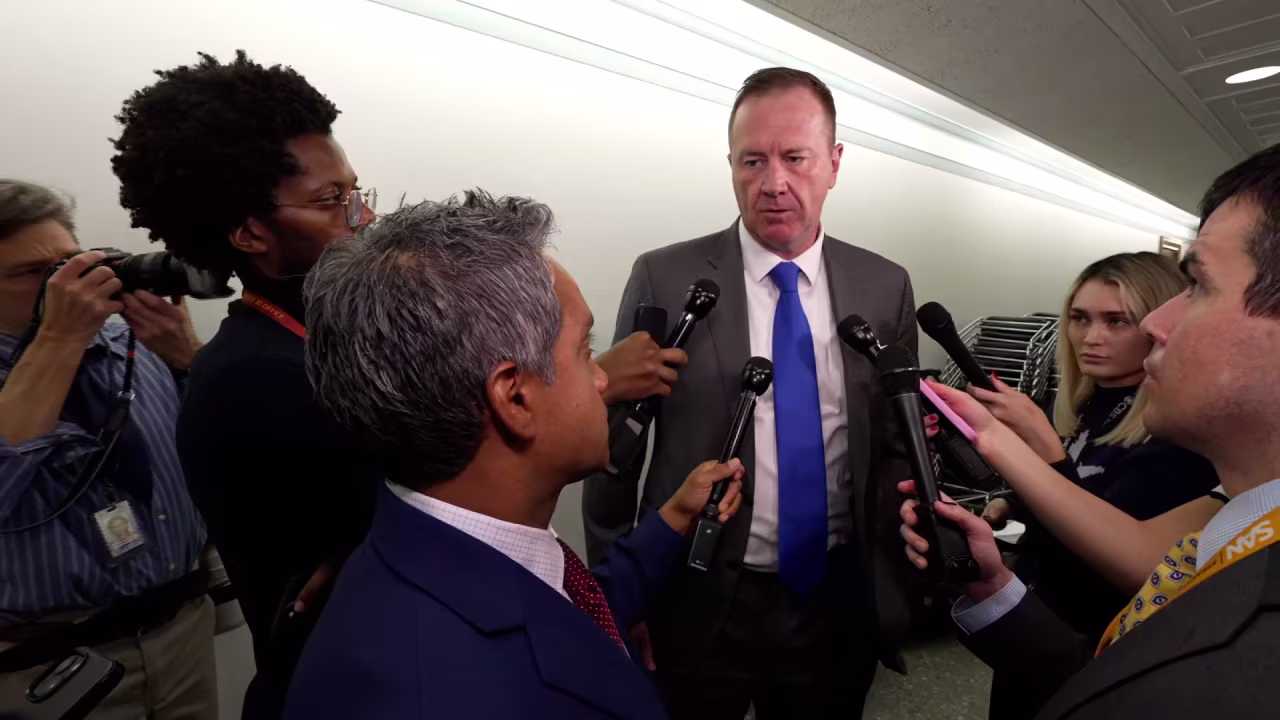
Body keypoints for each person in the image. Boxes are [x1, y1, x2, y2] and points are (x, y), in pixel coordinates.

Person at [283, 191, 745, 719]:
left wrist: (674, 519)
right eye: (584, 352)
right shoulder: (431, 694)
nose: (600, 377)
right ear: (515, 397)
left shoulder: (450, 548)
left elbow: (561, 617)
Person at [901, 143, 1280, 719]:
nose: (1156, 326)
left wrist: (1012, 447)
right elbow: (1102, 676)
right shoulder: (1233, 510)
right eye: (1079, 317)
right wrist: (989, 584)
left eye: (1198, 286)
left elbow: (1125, 564)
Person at [583, 67, 916, 719]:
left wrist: (895, 581)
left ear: (835, 163)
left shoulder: (885, 287)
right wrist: (623, 592)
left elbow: (898, 446)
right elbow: (616, 445)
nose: (774, 183)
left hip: (834, 600)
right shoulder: (666, 276)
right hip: (694, 591)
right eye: (752, 160)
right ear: (731, 164)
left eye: (795, 158)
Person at [109, 51, 381, 717]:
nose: (363, 217)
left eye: (356, 191)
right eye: (330, 201)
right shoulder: (258, 378)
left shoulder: (308, 339)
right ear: (248, 232)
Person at [0, 180, 214, 719]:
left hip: (181, 631)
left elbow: (226, 453)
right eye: (33, 274)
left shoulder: (133, 344)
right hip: (50, 668)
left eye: (72, 263)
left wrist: (191, 361)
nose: (69, 286)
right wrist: (57, 340)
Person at [977, 253, 1218, 646]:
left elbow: (1107, 551)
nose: (1090, 337)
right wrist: (1015, 503)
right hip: (1042, 616)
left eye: (1116, 321)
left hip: (1103, 638)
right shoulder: (1086, 404)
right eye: (1080, 318)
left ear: (1159, 327)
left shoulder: (1176, 434)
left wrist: (1043, 449)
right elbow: (1083, 476)